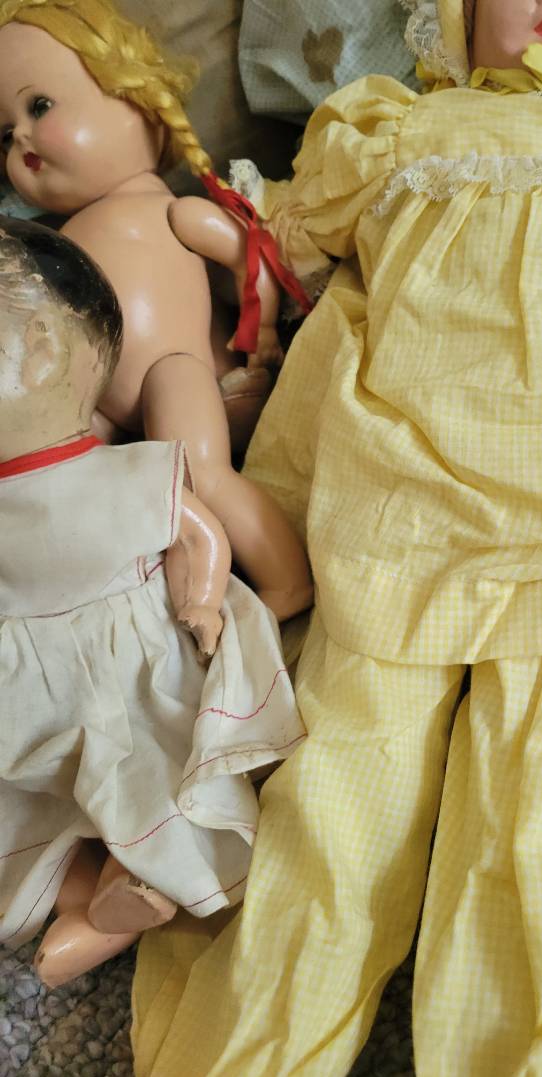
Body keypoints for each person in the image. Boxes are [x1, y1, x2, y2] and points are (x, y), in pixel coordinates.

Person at [133, 1, 542, 1076]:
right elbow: (285, 237)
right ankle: (239, 1050)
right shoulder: (402, 133)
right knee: (328, 798)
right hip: (405, 501)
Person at [0, 215, 304, 988]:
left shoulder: (118, 472)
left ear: (42, 351)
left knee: (145, 776)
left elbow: (193, 529)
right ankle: (93, 902)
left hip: (130, 666)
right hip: (25, 693)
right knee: (26, 815)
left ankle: (115, 899)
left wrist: (200, 597)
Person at [0, 0, 312, 619]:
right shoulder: (55, 241)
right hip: (95, 405)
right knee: (53, 485)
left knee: (198, 473)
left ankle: (286, 582)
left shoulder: (172, 211)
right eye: (5, 135)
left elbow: (251, 259)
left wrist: (263, 337)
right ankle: (96, 612)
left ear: (136, 100)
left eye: (39, 106)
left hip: (177, 375)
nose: (22, 138)